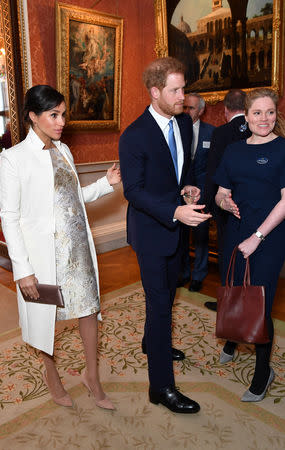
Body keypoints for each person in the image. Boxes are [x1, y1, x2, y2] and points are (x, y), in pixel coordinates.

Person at [0, 85, 121, 410]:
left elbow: (71, 199)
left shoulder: (64, 150)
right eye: (54, 115)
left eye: (63, 114)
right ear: (33, 116)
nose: (61, 121)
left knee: (89, 310)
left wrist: (104, 184)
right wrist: (22, 270)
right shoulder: (13, 159)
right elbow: (8, 217)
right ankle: (51, 373)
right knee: (45, 319)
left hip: (77, 250)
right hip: (43, 257)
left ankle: (91, 376)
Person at [119, 57, 211, 414]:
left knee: (169, 296)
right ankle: (161, 387)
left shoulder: (185, 123)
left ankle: (150, 342)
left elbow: (182, 170)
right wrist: (174, 210)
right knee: (160, 307)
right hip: (151, 233)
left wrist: (186, 188)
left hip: (178, 229)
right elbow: (134, 191)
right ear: (155, 91)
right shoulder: (134, 135)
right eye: (175, 90)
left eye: (183, 88)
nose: (182, 96)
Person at [214, 88, 285, 401]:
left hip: (268, 236)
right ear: (246, 114)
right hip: (236, 231)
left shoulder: (283, 148)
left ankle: (262, 371)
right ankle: (233, 338)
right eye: (258, 112)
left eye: (270, 112)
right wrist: (225, 203)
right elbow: (220, 192)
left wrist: (257, 237)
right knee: (235, 289)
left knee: (261, 301)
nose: (264, 119)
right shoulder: (233, 151)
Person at [204, 89, 251, 310]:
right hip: (253, 204)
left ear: (225, 110)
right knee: (250, 254)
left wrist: (208, 204)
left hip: (226, 203)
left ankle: (227, 304)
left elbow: (213, 171)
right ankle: (251, 303)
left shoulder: (221, 133)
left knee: (227, 254)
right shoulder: (257, 128)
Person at [177, 93, 215, 292]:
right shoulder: (175, 131)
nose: (186, 112)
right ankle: (183, 273)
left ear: (200, 111)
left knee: (201, 237)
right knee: (181, 236)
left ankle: (198, 275)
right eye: (184, 107)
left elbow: (214, 166)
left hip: (202, 193)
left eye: (191, 108)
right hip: (181, 192)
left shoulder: (212, 133)